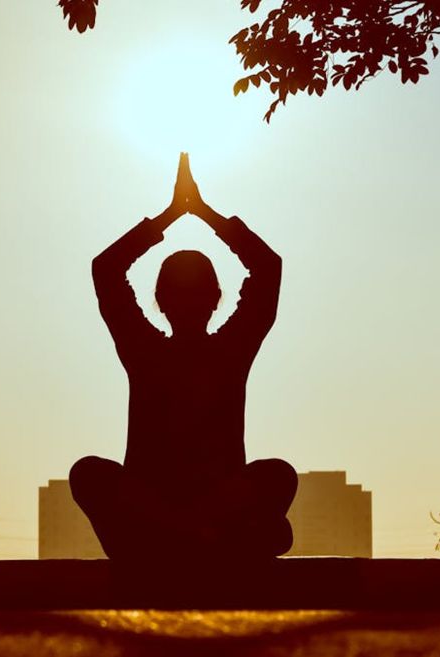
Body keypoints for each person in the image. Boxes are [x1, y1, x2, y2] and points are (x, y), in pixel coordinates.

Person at [71, 153, 297, 562]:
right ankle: (197, 535)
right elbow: (266, 267)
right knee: (88, 473)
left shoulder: (169, 349)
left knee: (278, 474)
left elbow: (107, 270)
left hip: (170, 522)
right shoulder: (169, 350)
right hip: (179, 519)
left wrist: (178, 215)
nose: (189, 302)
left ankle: (186, 534)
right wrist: (194, 214)